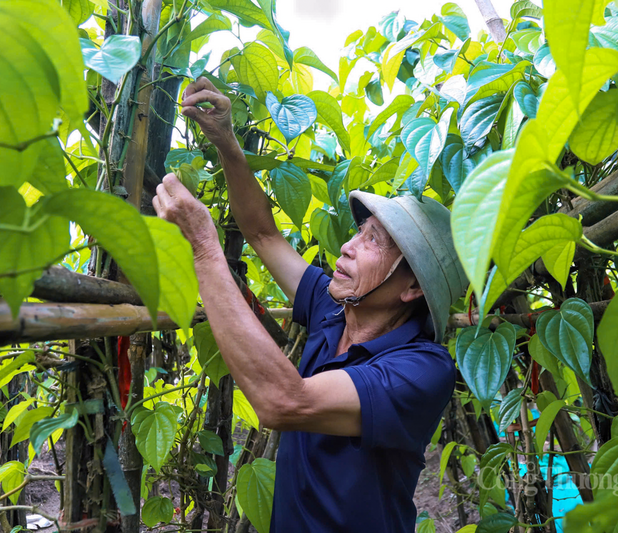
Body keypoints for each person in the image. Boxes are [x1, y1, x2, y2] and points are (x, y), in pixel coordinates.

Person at [152, 77, 470, 533]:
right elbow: (263, 233)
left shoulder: (422, 368)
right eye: (359, 231)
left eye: (373, 240)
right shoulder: (333, 309)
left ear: (412, 289)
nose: (346, 247)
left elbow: (283, 402)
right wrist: (226, 141)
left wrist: (204, 245)